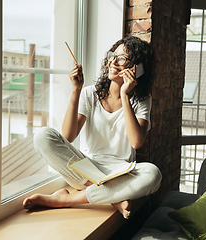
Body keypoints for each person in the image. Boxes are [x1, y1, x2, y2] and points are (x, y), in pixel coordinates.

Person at [23, 36, 162, 219]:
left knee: (153, 174)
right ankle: (113, 198)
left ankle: (64, 200)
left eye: (122, 59)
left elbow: (136, 142)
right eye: (113, 55)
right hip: (85, 171)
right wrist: (76, 90)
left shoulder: (142, 100)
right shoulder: (90, 93)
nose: (113, 61)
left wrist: (125, 95)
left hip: (119, 173)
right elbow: (68, 136)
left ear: (138, 68)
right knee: (42, 135)